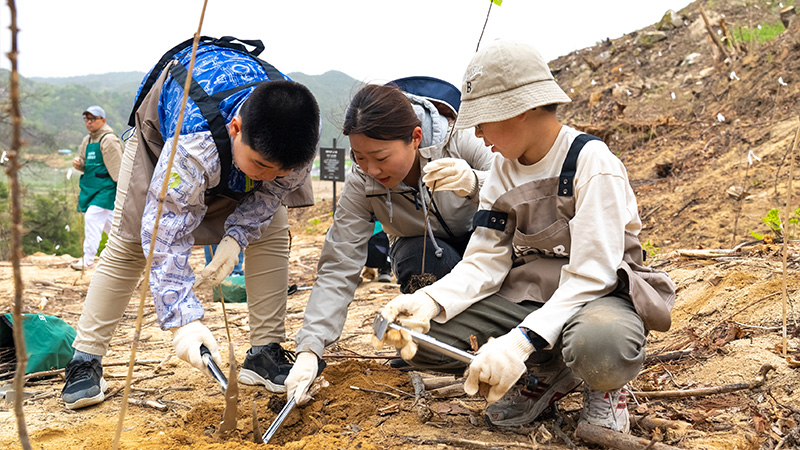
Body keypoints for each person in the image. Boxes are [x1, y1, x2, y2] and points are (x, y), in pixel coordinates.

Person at [373, 39, 676, 433]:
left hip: (600, 296)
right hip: (531, 296)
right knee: (426, 341)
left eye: (484, 119)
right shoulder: (503, 168)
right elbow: (485, 259)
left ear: (526, 108)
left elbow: (592, 274)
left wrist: (517, 342)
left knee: (599, 347)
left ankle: (603, 387)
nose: (478, 135)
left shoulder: (590, 162)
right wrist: (429, 301)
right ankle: (548, 369)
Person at [60, 37, 320, 410]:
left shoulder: (296, 139)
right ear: (236, 128)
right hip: (159, 138)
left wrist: (237, 237)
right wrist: (183, 321)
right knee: (130, 242)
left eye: (283, 170)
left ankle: (266, 351)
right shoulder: (193, 147)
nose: (270, 177)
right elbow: (164, 232)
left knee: (273, 230)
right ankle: (85, 359)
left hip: (229, 146)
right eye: (262, 167)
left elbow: (272, 193)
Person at [284, 82, 497, 405]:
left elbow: (522, 185)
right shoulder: (362, 181)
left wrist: (476, 182)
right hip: (428, 262)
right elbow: (339, 263)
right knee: (419, 255)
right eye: (359, 158)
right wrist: (310, 350)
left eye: (380, 157)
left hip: (486, 251)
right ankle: (440, 345)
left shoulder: (460, 140)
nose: (371, 169)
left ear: (415, 137)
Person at [71, 105, 123, 271]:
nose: (89, 122)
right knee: (113, 226)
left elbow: (119, 169)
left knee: (92, 217)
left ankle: (88, 259)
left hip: (107, 189)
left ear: (103, 120)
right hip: (92, 188)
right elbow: (86, 164)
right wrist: (80, 165)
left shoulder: (108, 140)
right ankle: (125, 255)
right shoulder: (87, 140)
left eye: (93, 119)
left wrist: (124, 192)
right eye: (87, 119)